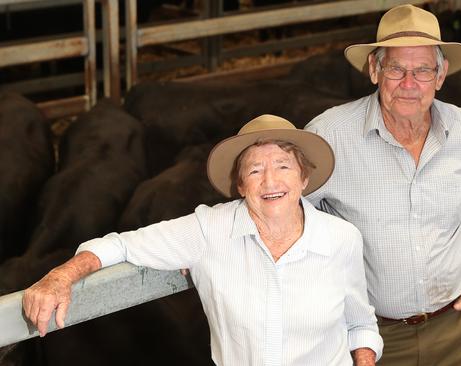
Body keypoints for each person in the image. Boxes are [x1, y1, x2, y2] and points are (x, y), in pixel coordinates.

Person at [22, 114, 383, 366]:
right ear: (240, 186)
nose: (270, 181)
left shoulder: (340, 238)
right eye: (255, 170)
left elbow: (361, 324)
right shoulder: (209, 230)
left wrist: (364, 361)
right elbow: (121, 244)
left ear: (304, 178)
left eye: (284, 166)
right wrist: (61, 276)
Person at [304, 5, 461, 365]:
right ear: (375, 70)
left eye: (423, 70)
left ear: (441, 76)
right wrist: (207, 240)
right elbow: (279, 213)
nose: (409, 84)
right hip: (370, 340)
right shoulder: (329, 136)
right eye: (396, 69)